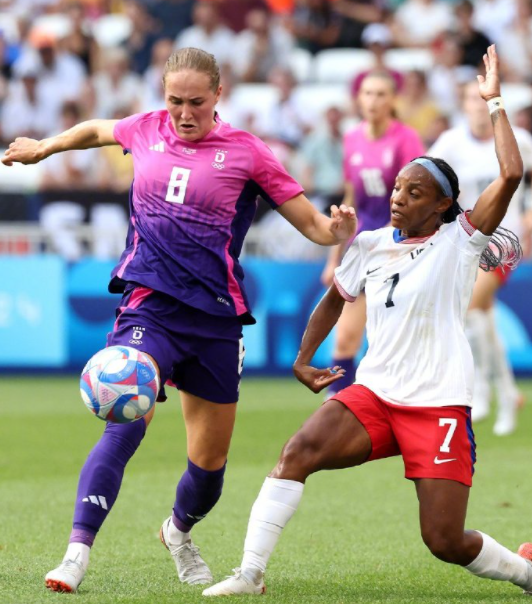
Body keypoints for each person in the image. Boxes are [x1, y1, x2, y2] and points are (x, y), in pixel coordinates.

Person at [1, 47, 356, 594]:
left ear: (218, 95)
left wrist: (337, 231)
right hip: (150, 305)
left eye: (195, 102)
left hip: (215, 318)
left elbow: (311, 222)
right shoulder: (145, 128)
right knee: (124, 420)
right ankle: (76, 552)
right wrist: (45, 147)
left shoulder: (248, 152)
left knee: (209, 469)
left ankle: (178, 531)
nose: (184, 113)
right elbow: (97, 129)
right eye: (173, 101)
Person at [203, 45, 532, 598]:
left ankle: (527, 573)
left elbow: (512, 171)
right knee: (295, 454)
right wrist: (304, 358)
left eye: (414, 193)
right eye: (399, 188)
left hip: (438, 403)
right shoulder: (372, 243)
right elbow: (336, 297)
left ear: (443, 206)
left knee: (444, 541)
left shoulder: (462, 240)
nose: (398, 198)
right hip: (376, 395)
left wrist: (493, 100)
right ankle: (250, 573)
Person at [429, 80, 532, 435]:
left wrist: (530, 217)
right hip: (466, 241)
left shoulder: (518, 138)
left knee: (472, 305)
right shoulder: (451, 143)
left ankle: (484, 392)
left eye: (483, 99)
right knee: (481, 317)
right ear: (462, 102)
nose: (477, 105)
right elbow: (432, 182)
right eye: (470, 98)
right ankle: (507, 394)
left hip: (505, 240)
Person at [321, 70, 424, 396]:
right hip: (364, 247)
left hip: (400, 248)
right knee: (345, 337)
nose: (373, 101)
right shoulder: (352, 139)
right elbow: (350, 199)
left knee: (393, 341)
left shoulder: (405, 139)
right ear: (358, 98)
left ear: (393, 99)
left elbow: (417, 199)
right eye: (367, 93)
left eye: (381, 94)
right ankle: (336, 411)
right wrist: (334, 256)